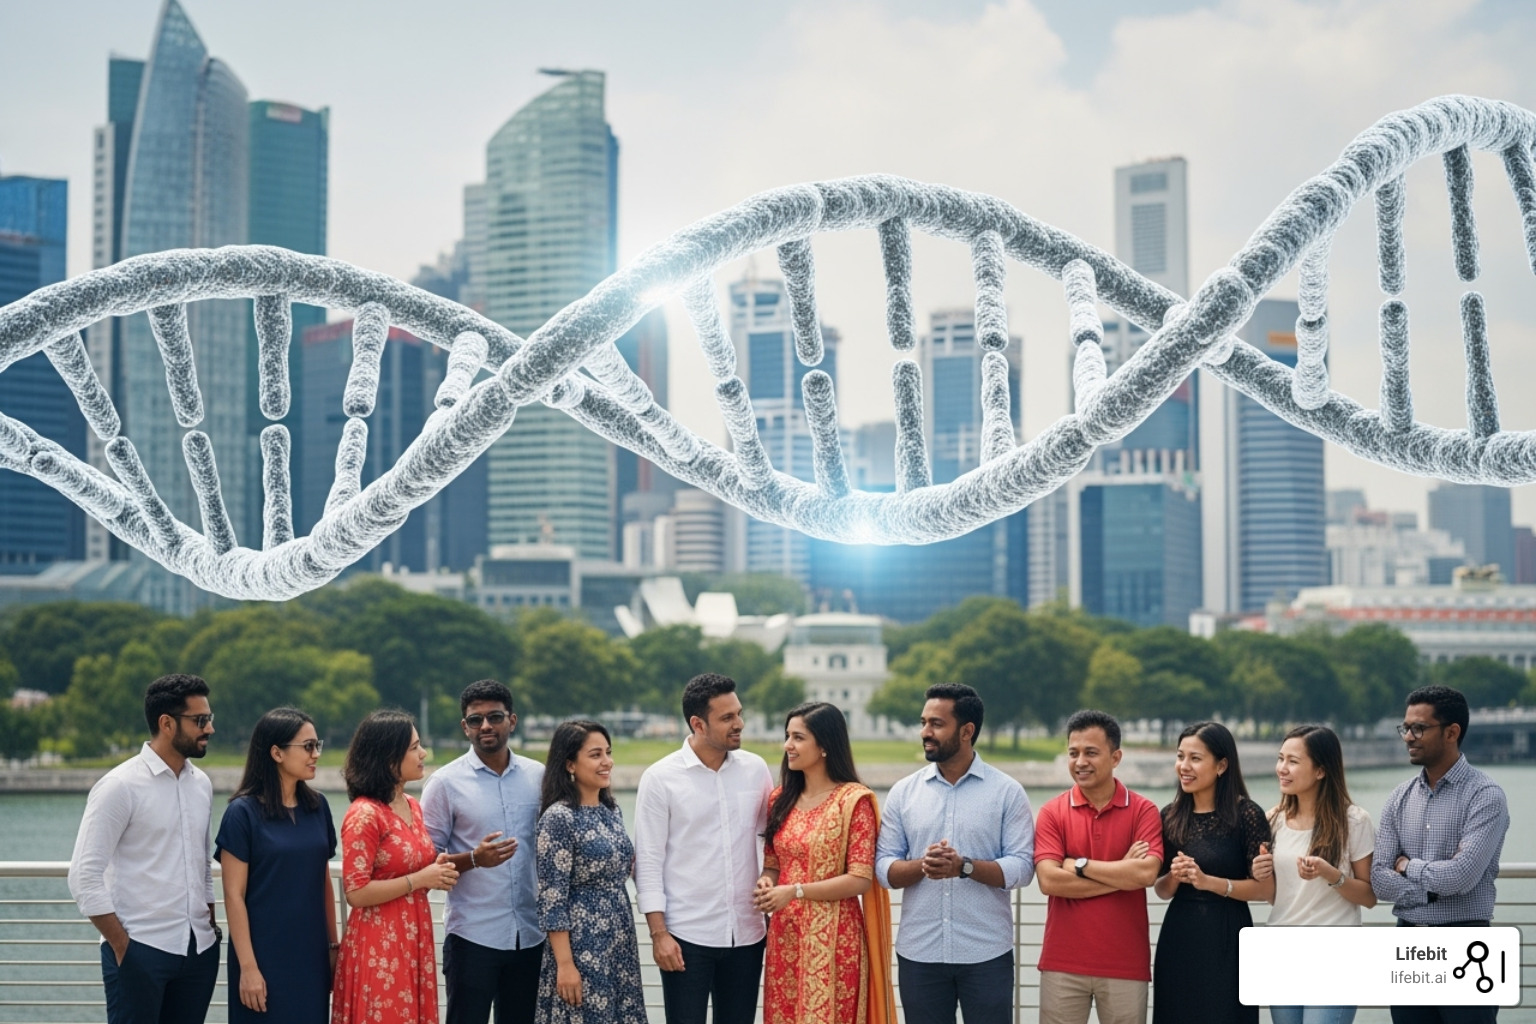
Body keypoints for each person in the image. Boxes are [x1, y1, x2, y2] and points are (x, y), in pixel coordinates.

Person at [875, 683, 1034, 1024]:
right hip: (920, 954)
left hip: (987, 954)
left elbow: (1022, 867)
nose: (925, 732)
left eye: (936, 724)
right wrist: (924, 865)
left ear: (966, 731)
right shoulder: (903, 793)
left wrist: (964, 867)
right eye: (924, 722)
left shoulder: (1007, 792)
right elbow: (883, 867)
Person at [68, 674, 221, 1024]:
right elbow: (83, 876)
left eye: (209, 718)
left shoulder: (201, 784)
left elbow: (201, 865)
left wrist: (210, 928)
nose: (210, 728)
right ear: (166, 724)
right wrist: (123, 946)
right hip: (141, 951)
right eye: (200, 720)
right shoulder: (119, 786)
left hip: (198, 951)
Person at [634, 673, 773, 1024]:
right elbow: (648, 863)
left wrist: (771, 886)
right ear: (698, 724)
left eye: (739, 713)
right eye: (727, 718)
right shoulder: (660, 778)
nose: (739, 724)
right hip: (685, 937)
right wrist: (659, 935)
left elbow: (771, 843)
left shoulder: (756, 769)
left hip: (748, 935)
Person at [1372, 685, 1509, 1024]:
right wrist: (1432, 888)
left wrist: (1407, 866)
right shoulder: (1399, 797)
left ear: (1451, 732)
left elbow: (1462, 876)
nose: (1408, 737)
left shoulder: (1486, 795)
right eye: (1406, 728)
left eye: (1419, 728)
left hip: (1467, 945)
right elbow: (1379, 878)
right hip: (1408, 944)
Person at [753, 701, 894, 1024]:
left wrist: (795, 891)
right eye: (787, 736)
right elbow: (773, 864)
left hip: (835, 940)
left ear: (825, 745)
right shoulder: (779, 799)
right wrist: (767, 882)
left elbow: (860, 878)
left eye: (798, 737)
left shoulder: (853, 801)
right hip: (785, 937)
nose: (787, 746)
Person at [422, 680, 545, 1024]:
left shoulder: (539, 776)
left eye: (495, 717)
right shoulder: (444, 784)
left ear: (512, 720)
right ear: (466, 727)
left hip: (530, 935)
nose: (486, 726)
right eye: (476, 720)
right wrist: (474, 859)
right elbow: (426, 865)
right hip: (472, 937)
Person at [1034, 709, 1162, 1024]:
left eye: (1091, 752)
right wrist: (1122, 872)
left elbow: (1146, 874)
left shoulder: (1144, 811)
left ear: (1116, 757)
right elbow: (1049, 881)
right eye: (1073, 753)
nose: (1080, 762)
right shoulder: (1052, 812)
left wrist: (1077, 865)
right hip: (1062, 962)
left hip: (1125, 964)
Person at [332, 709, 459, 1024]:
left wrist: (439, 869)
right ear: (389, 759)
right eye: (414, 747)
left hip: (414, 937)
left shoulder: (412, 805)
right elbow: (356, 892)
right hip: (380, 943)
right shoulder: (364, 814)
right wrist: (420, 879)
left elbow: (412, 867)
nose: (423, 753)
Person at [216, 707, 338, 1024]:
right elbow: (233, 896)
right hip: (261, 957)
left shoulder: (318, 807)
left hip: (311, 955)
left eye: (317, 745)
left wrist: (333, 947)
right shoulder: (241, 814)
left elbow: (323, 881)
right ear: (276, 753)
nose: (316, 754)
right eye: (308, 746)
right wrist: (248, 968)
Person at [1152, 721, 1273, 1024]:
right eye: (1180, 756)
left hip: (1228, 936)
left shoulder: (1247, 814)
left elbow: (1265, 890)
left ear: (1221, 765)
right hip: (1179, 937)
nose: (1184, 766)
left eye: (1195, 758)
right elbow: (1161, 890)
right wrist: (1175, 876)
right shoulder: (1170, 815)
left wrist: (1208, 882)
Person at [1254, 724, 1376, 1024]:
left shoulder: (1354, 821)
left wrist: (1331, 874)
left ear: (1321, 770)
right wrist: (1261, 873)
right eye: (1281, 758)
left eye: (1293, 761)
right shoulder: (1272, 820)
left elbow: (1370, 896)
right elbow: (1275, 896)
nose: (1282, 768)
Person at [534, 719, 645, 1024]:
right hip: (582, 944)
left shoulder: (611, 811)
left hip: (619, 940)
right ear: (570, 764)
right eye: (596, 755)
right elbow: (552, 898)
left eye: (608, 752)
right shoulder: (559, 818)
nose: (607, 761)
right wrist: (565, 965)